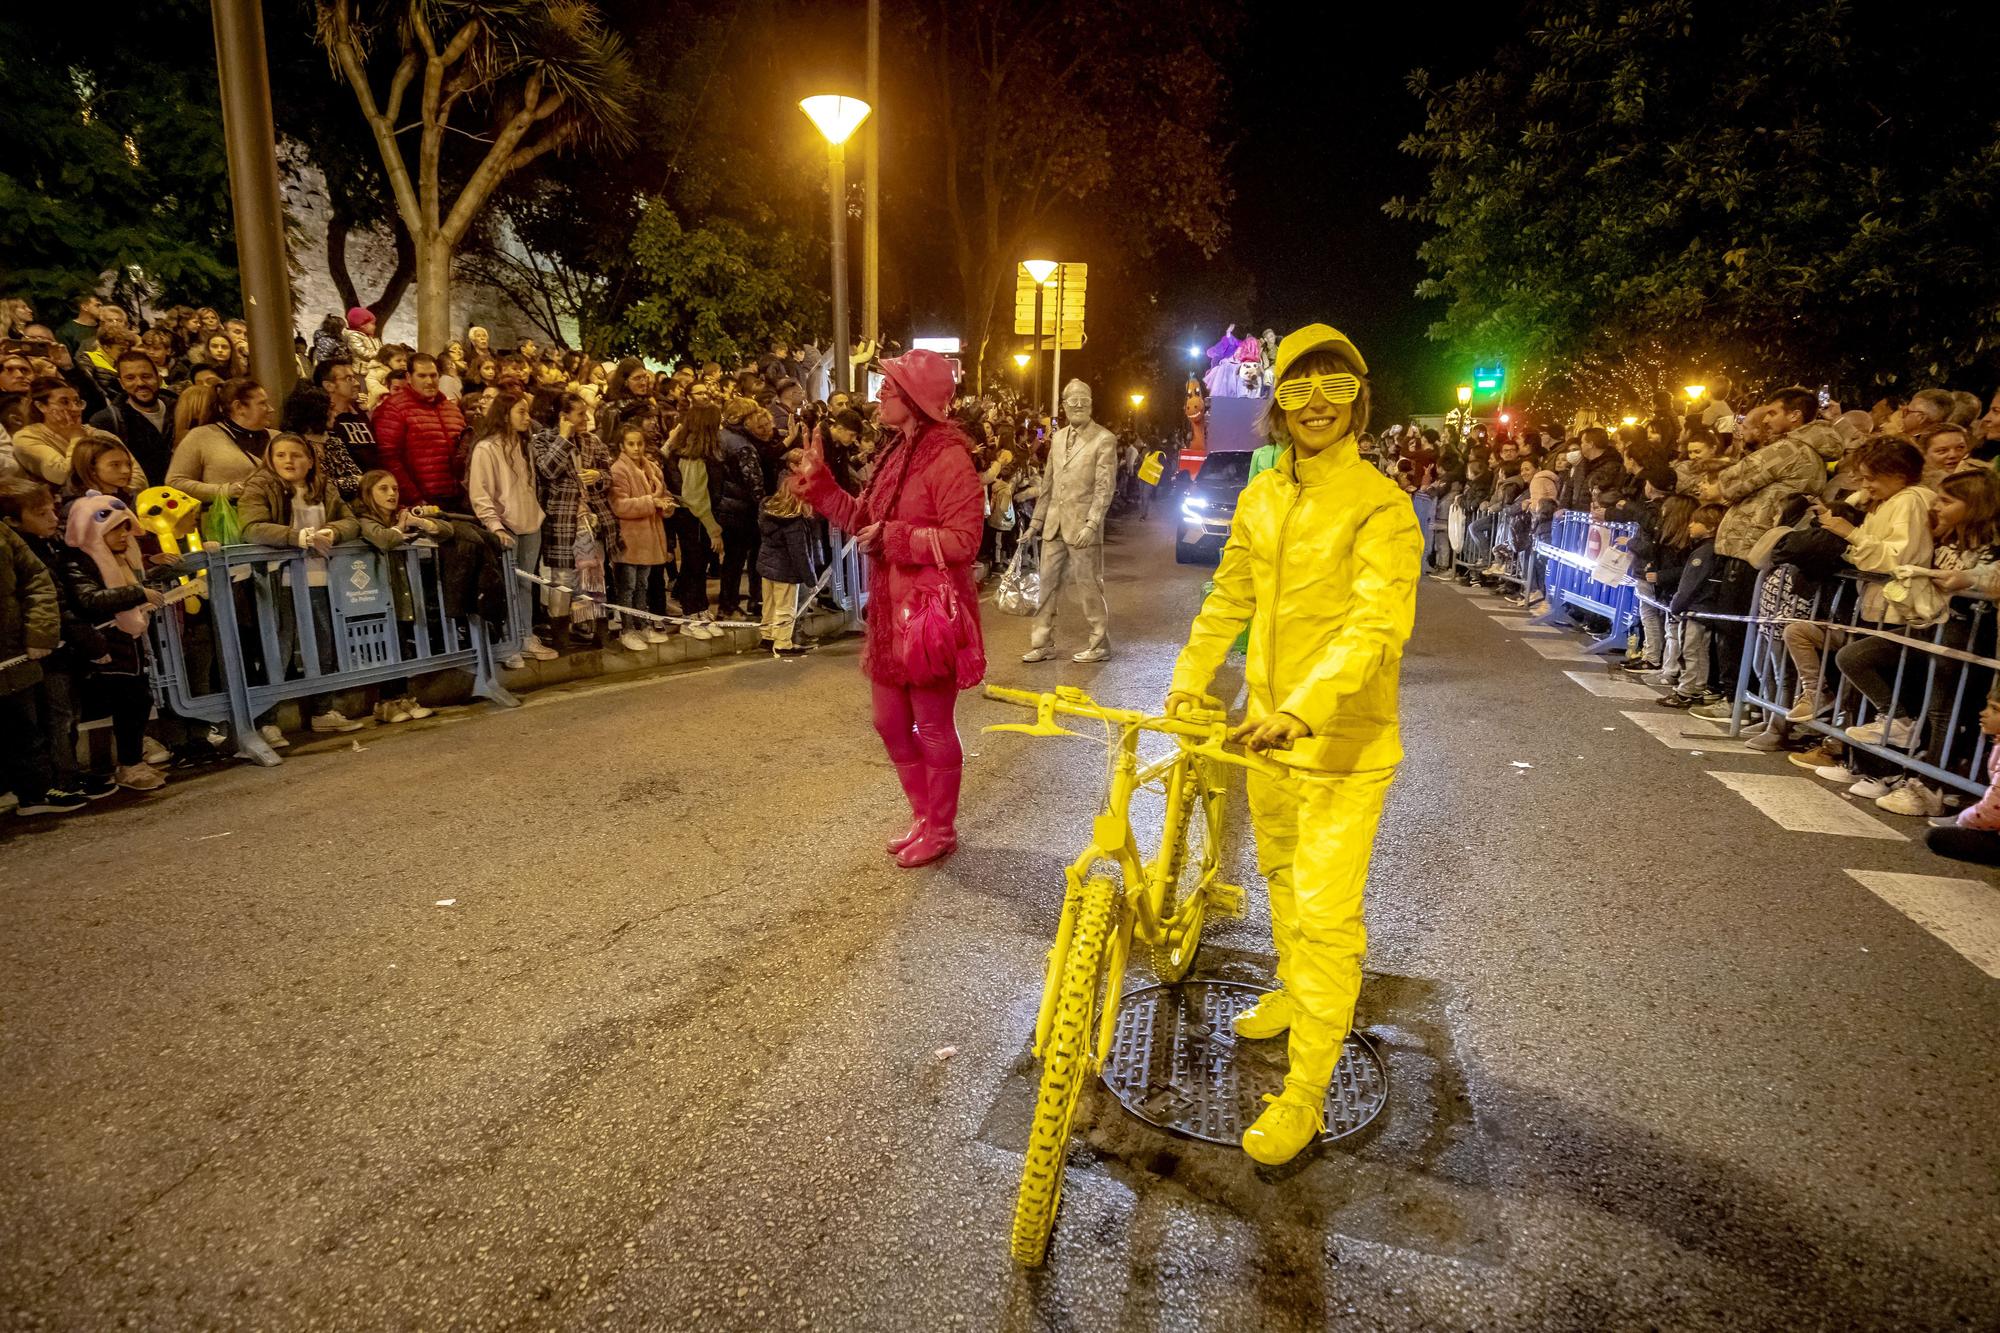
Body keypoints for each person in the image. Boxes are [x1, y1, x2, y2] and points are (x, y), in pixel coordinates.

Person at [1163, 323, 1421, 1166]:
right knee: (1277, 875)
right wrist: (1189, 677)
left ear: (1359, 400)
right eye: (1300, 386)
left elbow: (1375, 626)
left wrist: (1305, 710)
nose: (1316, 403)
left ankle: (1306, 1090)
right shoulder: (1265, 496)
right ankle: (1289, 987)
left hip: (1342, 746)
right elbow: (1228, 593)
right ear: (1275, 401)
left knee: (1325, 913)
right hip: (1264, 733)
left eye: (1336, 386)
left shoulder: (1381, 504)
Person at [796, 349, 985, 869]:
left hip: (928, 620)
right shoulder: (897, 452)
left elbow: (966, 540)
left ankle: (942, 828)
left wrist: (899, 538)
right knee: (889, 722)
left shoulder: (949, 458)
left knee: (933, 726)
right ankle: (924, 817)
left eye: (892, 388)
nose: (880, 395)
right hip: (889, 617)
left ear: (918, 401)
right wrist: (822, 488)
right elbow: (865, 521)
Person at [238, 433, 366, 733]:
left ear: (310, 461)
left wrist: (332, 532)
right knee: (276, 652)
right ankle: (266, 722)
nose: (288, 461)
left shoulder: (324, 486)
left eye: (296, 455)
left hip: (321, 580)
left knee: (323, 646)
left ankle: (323, 711)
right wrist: (298, 537)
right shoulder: (259, 485)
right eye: (280, 455)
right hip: (277, 582)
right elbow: (251, 528)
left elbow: (351, 521)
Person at [0, 482, 84, 814]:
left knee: (24, 726)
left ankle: (34, 793)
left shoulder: (6, 537)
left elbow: (37, 581)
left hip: (13, 651)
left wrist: (39, 634)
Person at [1022, 379, 1118, 663]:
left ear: (1091, 404)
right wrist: (1034, 524)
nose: (1077, 405)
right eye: (1071, 401)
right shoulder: (1058, 438)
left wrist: (1092, 524)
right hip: (1053, 526)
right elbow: (1048, 486)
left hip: (1082, 528)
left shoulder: (1104, 439)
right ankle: (1042, 643)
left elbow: (1104, 488)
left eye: (1083, 401)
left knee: (1089, 585)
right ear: (1063, 406)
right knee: (1046, 586)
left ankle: (1099, 643)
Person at [465, 393, 556, 667]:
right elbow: (480, 493)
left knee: (526, 585)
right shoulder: (486, 448)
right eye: (521, 412)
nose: (528, 418)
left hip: (530, 523)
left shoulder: (522, 444)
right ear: (505, 414)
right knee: (506, 587)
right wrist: (495, 525)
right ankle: (508, 641)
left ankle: (525, 636)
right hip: (506, 527)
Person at [349, 468, 445, 724]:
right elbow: (381, 539)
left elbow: (446, 530)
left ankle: (402, 697)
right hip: (374, 595)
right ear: (367, 493)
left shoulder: (402, 513)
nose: (392, 493)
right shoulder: (362, 518)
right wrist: (400, 529)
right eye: (383, 489)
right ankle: (385, 703)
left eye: (395, 488)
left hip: (401, 593)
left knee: (400, 644)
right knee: (384, 647)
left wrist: (422, 522)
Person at [607, 423, 675, 649]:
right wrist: (650, 502)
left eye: (640, 443)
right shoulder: (618, 470)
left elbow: (663, 495)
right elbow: (619, 505)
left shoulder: (652, 468)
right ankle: (627, 628)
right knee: (627, 586)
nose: (636, 448)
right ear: (622, 446)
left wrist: (665, 505)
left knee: (643, 584)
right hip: (630, 537)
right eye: (631, 444)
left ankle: (642, 624)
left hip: (649, 536)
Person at [373, 352, 468, 509]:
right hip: (421, 501)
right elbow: (389, 458)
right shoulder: (393, 408)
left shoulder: (451, 409)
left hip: (457, 496)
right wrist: (414, 498)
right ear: (409, 378)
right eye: (422, 376)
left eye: (433, 375)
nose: (429, 381)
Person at [666, 402, 726, 640]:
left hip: (695, 518)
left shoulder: (693, 451)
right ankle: (691, 616)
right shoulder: (693, 457)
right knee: (693, 566)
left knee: (698, 566)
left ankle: (701, 611)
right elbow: (695, 496)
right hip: (694, 519)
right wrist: (714, 530)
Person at [758, 455, 816, 659]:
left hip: (766, 566)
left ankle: (767, 636)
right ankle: (783, 643)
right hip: (786, 571)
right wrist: (811, 579)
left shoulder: (768, 511)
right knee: (786, 607)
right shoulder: (794, 523)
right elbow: (799, 552)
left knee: (769, 604)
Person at [88, 350, 178, 483]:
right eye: (130, 378)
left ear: (159, 379)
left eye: (146, 376)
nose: (140, 383)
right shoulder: (107, 421)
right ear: (121, 383)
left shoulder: (180, 409)